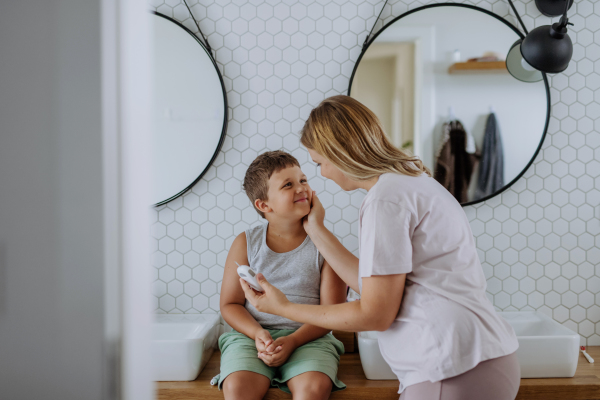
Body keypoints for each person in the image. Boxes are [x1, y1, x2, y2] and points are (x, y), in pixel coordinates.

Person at [241, 96, 521, 400]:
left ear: (338, 153)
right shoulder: (407, 183)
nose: (321, 174)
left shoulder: (385, 200)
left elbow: (376, 314)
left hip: (452, 366)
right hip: (471, 360)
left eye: (318, 163)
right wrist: (317, 230)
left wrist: (284, 308)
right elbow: (373, 287)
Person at [218, 150, 347, 400]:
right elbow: (229, 304)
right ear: (264, 205)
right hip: (251, 337)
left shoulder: (325, 245)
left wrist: (294, 341)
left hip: (309, 337)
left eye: (303, 180)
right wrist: (258, 334)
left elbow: (333, 311)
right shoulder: (246, 243)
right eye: (288, 184)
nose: (301, 188)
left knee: (313, 389)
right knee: (237, 388)